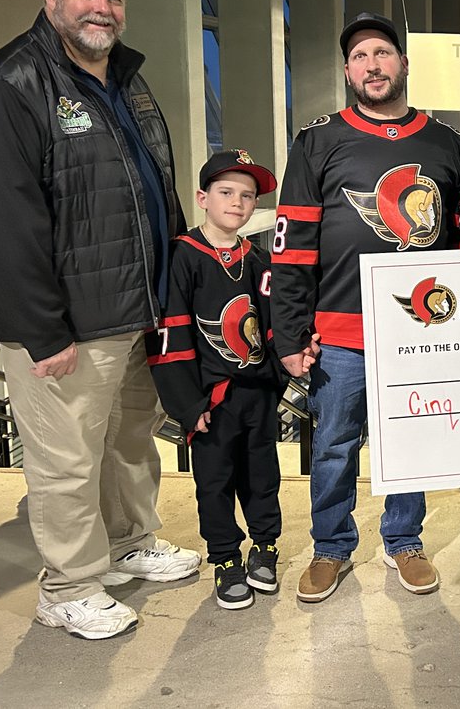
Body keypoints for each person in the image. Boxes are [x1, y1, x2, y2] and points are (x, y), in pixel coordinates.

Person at [0, 0, 200, 639]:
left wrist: (172, 297)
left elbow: (154, 193)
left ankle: (128, 541)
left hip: (135, 310)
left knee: (129, 441)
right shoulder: (5, 87)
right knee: (65, 464)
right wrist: (44, 329)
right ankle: (67, 587)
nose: (102, 8)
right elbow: (0, 222)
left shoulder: (125, 79)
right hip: (67, 325)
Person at [272, 12, 460, 604]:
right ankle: (331, 548)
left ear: (403, 64)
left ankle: (402, 539)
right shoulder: (318, 141)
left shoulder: (446, 143)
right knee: (333, 445)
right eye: (360, 57)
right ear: (348, 71)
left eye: (383, 53)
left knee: (410, 439)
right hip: (340, 333)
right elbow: (292, 246)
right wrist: (288, 334)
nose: (373, 65)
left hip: (421, 327)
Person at [145, 150, 305, 610]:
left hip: (256, 393)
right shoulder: (183, 256)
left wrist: (280, 376)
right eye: (226, 192)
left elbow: (272, 323)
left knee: (263, 475)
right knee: (214, 483)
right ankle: (224, 559)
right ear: (203, 198)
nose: (237, 202)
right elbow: (171, 335)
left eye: (248, 195)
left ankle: (265, 546)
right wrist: (188, 406)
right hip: (211, 400)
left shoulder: (256, 259)